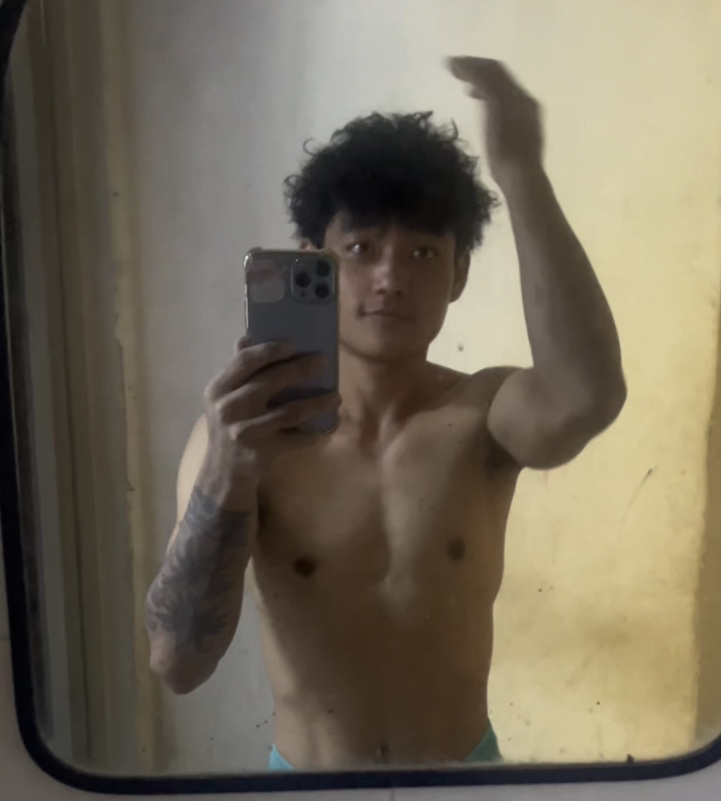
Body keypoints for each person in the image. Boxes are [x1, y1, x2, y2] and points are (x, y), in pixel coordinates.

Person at [144, 56, 626, 771]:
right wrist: (229, 469)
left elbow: (587, 395)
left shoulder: (484, 417)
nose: (391, 277)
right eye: (361, 248)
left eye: (423, 252)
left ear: (459, 274)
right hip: (308, 786)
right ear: (314, 262)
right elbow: (178, 661)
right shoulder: (242, 435)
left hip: (465, 779)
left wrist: (521, 172)